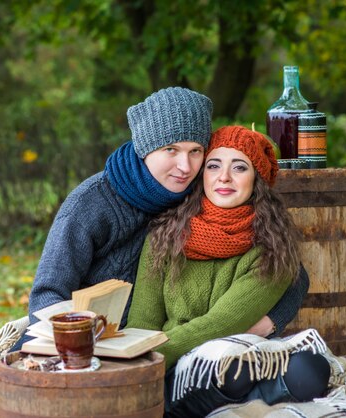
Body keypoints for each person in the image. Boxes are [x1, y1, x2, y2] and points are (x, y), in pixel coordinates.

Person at [0, 90, 308, 417]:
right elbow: (45, 295)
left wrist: (267, 322)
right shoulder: (93, 202)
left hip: (147, 341)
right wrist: (84, 340)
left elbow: (289, 271)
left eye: (195, 151)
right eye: (170, 149)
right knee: (0, 389)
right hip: (75, 334)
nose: (185, 165)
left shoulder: (198, 193)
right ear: (145, 146)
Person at [127, 125, 328, 417]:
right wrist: (137, 361)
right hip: (172, 365)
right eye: (213, 165)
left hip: (229, 353)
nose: (224, 177)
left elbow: (222, 323)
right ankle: (246, 401)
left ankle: (210, 404)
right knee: (233, 372)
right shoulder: (165, 235)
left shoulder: (273, 247)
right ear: (202, 175)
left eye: (239, 167)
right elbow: (143, 320)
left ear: (256, 180)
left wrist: (151, 354)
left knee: (307, 369)